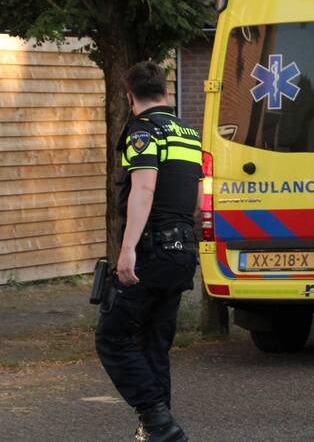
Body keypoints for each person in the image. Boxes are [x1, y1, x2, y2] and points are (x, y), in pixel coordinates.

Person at [95, 62, 202, 442]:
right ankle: (158, 428)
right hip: (182, 250)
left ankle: (156, 420)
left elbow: (143, 189)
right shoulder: (189, 135)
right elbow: (197, 201)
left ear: (129, 97)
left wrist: (128, 250)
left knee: (112, 336)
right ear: (166, 92)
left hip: (152, 250)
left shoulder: (143, 131)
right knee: (154, 341)